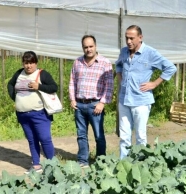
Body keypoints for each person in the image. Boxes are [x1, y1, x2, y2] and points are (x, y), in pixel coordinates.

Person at [115, 25, 177, 159]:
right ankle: (123, 163)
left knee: (140, 136)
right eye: (127, 38)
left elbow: (170, 68)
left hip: (141, 101)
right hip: (124, 99)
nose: (128, 41)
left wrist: (155, 83)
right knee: (124, 136)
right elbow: (118, 64)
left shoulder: (150, 53)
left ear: (140, 37)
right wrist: (120, 77)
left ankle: (140, 164)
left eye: (132, 38)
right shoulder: (124, 51)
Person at [7, 51, 58, 174]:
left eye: (31, 63)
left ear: (36, 63)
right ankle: (36, 165)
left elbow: (53, 87)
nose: (28, 66)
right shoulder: (19, 73)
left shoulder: (42, 74)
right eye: (26, 63)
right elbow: (10, 84)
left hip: (39, 114)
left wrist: (39, 86)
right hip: (23, 115)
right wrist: (16, 98)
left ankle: (52, 165)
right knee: (32, 140)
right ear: (23, 63)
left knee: (45, 139)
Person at [69, 35, 114, 168]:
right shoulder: (77, 62)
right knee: (81, 134)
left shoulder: (105, 63)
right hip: (80, 104)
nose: (88, 49)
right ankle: (83, 160)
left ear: (95, 46)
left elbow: (109, 85)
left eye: (91, 46)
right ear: (82, 47)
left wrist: (102, 102)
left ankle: (100, 161)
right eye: (85, 47)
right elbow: (72, 82)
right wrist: (72, 99)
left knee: (99, 135)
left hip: (96, 105)